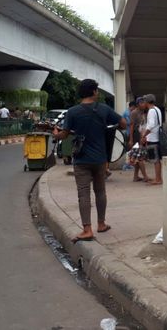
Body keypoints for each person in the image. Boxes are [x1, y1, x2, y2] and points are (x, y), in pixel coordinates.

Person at [53, 79, 126, 243]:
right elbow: (123, 123)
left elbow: (64, 135)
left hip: (81, 159)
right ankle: (101, 224)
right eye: (97, 90)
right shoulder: (104, 109)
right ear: (93, 92)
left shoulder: (72, 112)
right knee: (100, 191)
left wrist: (56, 134)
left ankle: (87, 229)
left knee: (83, 194)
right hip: (100, 158)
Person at [140, 94, 163, 185]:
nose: (143, 103)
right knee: (157, 160)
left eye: (144, 101)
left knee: (155, 160)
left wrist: (144, 135)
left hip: (153, 138)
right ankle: (159, 178)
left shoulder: (151, 111)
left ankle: (158, 179)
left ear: (147, 102)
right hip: (156, 137)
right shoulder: (157, 109)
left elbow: (151, 125)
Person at [128, 98, 151, 182]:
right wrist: (130, 139)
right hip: (136, 137)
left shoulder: (143, 113)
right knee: (140, 156)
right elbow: (131, 126)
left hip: (141, 135)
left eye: (144, 102)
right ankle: (145, 176)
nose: (144, 104)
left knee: (138, 156)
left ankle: (135, 176)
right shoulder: (134, 113)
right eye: (142, 103)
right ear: (138, 104)